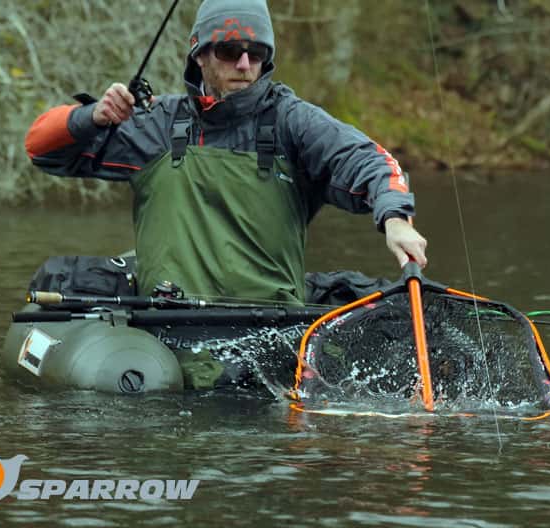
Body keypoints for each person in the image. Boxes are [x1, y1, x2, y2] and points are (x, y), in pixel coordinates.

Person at [25, 0, 427, 306]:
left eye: (257, 52)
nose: (245, 64)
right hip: (164, 331)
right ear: (200, 56)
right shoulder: (158, 124)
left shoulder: (292, 120)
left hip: (271, 327)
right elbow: (40, 148)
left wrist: (395, 218)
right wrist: (91, 117)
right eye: (230, 50)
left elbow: (370, 161)